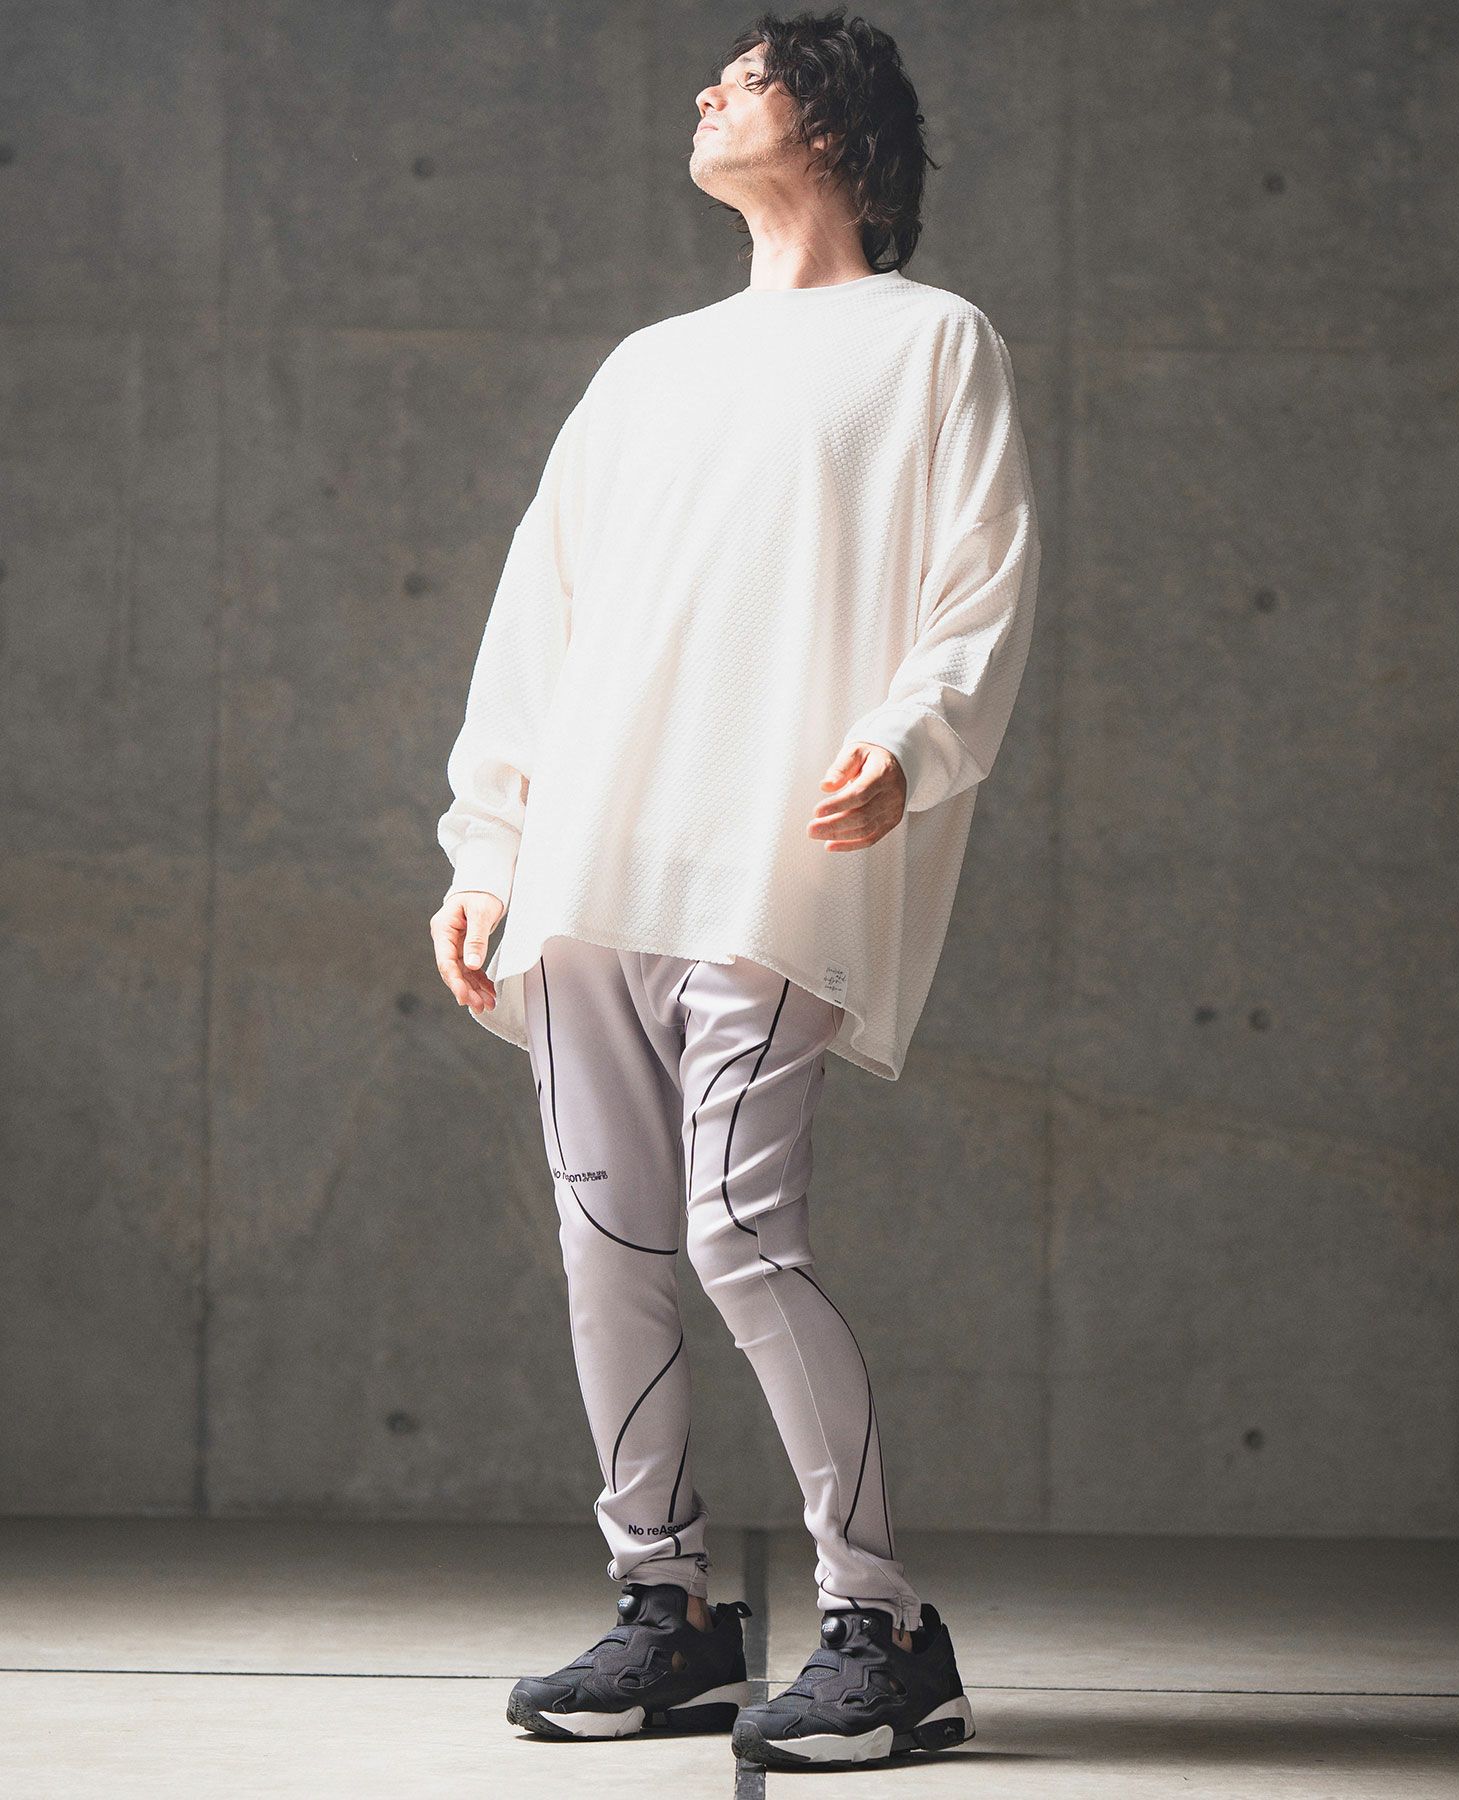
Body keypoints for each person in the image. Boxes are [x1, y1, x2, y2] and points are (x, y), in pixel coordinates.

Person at [429, 7, 1039, 1773]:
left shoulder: (933, 343)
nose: (708, 90)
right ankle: (669, 1611)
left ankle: (882, 1623)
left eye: (749, 73)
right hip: (587, 869)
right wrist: (485, 846)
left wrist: (911, 741)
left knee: (734, 1233)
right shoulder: (649, 365)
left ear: (834, 127)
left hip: (770, 858)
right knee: (607, 1242)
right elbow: (537, 617)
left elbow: (981, 581)